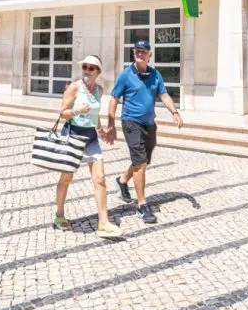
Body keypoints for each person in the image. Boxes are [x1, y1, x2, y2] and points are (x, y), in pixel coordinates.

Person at [106, 40, 183, 225]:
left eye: (143, 51)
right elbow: (114, 98)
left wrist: (174, 112)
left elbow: (163, 94)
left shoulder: (155, 74)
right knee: (140, 163)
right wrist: (110, 123)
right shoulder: (126, 75)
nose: (139, 54)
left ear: (150, 54)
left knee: (142, 160)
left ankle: (123, 180)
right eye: (136, 51)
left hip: (149, 124)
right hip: (131, 122)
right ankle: (142, 205)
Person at [53, 55, 122, 238]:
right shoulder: (74, 87)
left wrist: (100, 129)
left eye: (92, 68)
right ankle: (59, 215)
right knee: (66, 178)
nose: (87, 71)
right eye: (85, 67)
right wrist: (77, 110)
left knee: (100, 179)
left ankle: (104, 223)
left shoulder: (99, 89)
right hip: (73, 136)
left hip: (91, 138)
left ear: (98, 72)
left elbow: (95, 113)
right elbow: (63, 113)